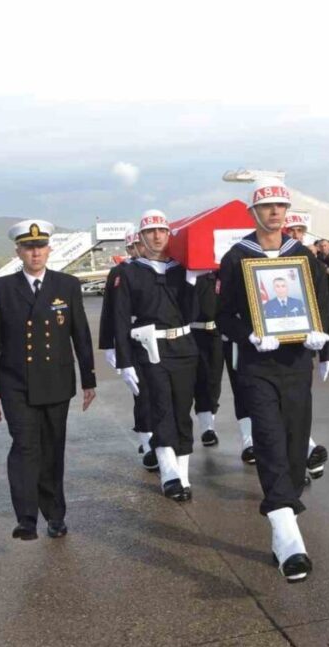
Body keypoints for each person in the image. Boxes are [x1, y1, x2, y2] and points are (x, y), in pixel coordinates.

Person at [216, 177, 329, 583]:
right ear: (254, 213)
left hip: (297, 362)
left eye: (281, 206)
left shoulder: (303, 256)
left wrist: (325, 346)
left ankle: (285, 523)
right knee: (268, 439)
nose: (274, 212)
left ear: (287, 212)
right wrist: (248, 334)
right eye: (267, 207)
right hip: (257, 365)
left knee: (296, 441)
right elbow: (223, 314)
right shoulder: (236, 257)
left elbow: (320, 303)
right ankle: (288, 539)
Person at [0, 220, 96, 540]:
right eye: (29, 248)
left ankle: (55, 515)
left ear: (49, 249)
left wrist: (89, 378)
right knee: (24, 446)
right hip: (16, 382)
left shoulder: (68, 285)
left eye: (40, 247)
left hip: (56, 382)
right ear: (18, 251)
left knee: (52, 450)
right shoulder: (2, 288)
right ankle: (26, 518)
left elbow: (81, 335)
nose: (35, 253)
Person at [110, 210, 199, 501]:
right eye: (150, 232)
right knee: (161, 407)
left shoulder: (181, 269)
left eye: (162, 230)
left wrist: (193, 283)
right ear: (141, 236)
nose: (157, 236)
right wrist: (124, 361)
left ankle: (182, 474)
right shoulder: (129, 271)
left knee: (182, 409)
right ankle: (168, 472)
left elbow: (192, 313)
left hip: (183, 347)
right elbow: (120, 318)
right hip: (150, 350)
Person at [99, 231, 158, 470]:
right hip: (131, 340)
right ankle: (147, 442)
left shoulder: (156, 268)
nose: (136, 250)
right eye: (132, 246)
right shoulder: (120, 272)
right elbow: (109, 312)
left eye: (138, 245)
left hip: (156, 341)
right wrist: (109, 344)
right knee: (141, 394)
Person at [189, 265, 223, 448]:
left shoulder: (221, 273)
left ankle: (209, 426)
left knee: (213, 381)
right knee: (195, 381)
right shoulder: (192, 273)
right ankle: (203, 428)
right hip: (193, 332)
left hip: (216, 333)